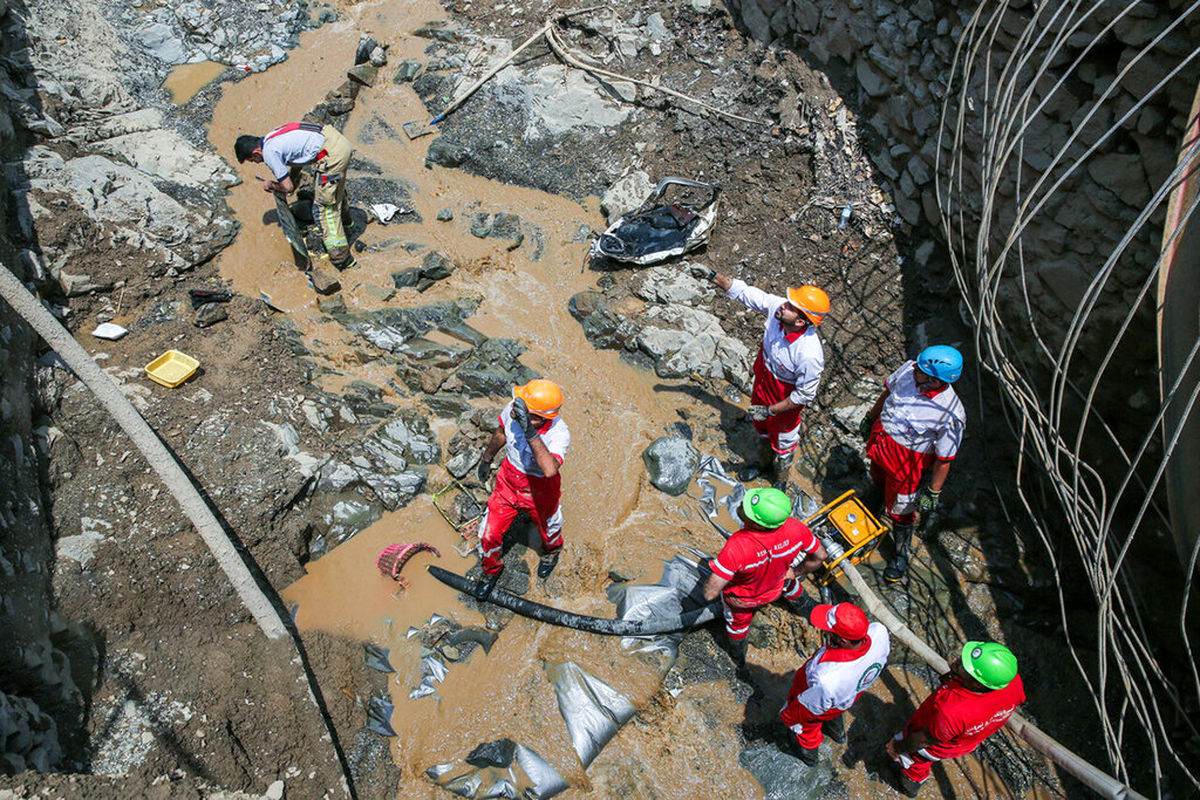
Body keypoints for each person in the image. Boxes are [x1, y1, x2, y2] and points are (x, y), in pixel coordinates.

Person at [691, 266, 828, 489]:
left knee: (784, 441)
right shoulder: (779, 313)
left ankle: (781, 481)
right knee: (760, 426)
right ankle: (763, 463)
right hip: (764, 384)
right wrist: (715, 277)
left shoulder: (809, 354)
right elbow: (748, 294)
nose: (783, 305)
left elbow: (804, 395)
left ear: (802, 321)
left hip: (784, 401)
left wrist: (771, 410)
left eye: (791, 307)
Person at [858, 345, 966, 582]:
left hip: (907, 463)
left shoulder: (950, 414)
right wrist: (870, 417)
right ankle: (869, 511)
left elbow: (944, 458)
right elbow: (887, 393)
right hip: (882, 442)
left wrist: (933, 491)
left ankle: (900, 554)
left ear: (935, 380)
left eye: (921, 369)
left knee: (901, 509)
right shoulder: (909, 370)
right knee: (876, 480)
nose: (914, 368)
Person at [702, 487, 827, 671]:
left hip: (744, 599)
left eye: (746, 510)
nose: (741, 507)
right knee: (791, 585)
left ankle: (738, 657)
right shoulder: (795, 528)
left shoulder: (737, 547)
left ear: (759, 525)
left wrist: (710, 581)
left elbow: (711, 593)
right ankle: (812, 611)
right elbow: (821, 556)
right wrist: (796, 571)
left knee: (738, 624)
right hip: (778, 585)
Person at [886, 642, 1024, 797]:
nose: (957, 660)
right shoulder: (1010, 682)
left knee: (915, 760)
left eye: (965, 666)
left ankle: (911, 783)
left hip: (934, 742)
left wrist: (896, 748)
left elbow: (922, 740)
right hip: (966, 739)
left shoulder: (953, 711)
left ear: (977, 684)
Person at [475, 379, 569, 596]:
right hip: (508, 482)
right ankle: (491, 570)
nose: (517, 412)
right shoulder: (513, 409)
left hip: (540, 489)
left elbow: (549, 470)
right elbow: (501, 433)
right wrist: (486, 459)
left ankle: (551, 553)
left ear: (541, 418)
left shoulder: (559, 433)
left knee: (550, 529)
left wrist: (529, 431)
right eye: (520, 406)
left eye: (526, 411)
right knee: (488, 534)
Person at [780, 602, 890, 765]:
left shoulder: (828, 679)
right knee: (835, 711)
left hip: (822, 697)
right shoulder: (879, 632)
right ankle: (837, 734)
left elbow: (807, 708)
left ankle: (809, 757)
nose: (825, 631)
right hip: (848, 696)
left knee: (805, 728)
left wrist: (788, 716)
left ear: (843, 641)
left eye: (830, 631)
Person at [234, 122, 356, 269]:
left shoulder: (269, 153)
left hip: (332, 155)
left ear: (256, 153)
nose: (256, 163)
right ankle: (347, 223)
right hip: (336, 141)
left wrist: (271, 185)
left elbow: (287, 188)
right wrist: (292, 178)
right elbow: (298, 158)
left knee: (325, 208)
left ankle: (342, 259)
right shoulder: (272, 136)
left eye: (253, 160)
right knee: (335, 190)